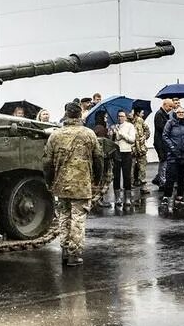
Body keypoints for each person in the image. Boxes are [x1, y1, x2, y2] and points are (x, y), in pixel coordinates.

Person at [43, 102, 101, 266]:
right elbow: (98, 158)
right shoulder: (89, 134)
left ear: (66, 114)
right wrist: (97, 179)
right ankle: (74, 255)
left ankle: (64, 250)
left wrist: (49, 180)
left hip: (61, 183)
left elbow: (47, 162)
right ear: (80, 114)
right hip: (82, 184)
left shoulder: (56, 135)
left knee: (64, 217)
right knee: (78, 218)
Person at [161, 107, 184, 209]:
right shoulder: (170, 123)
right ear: (175, 113)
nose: (180, 113)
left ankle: (180, 196)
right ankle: (166, 196)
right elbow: (165, 136)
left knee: (182, 177)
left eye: (182, 112)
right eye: (178, 112)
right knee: (170, 177)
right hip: (173, 155)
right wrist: (172, 147)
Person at [90, 116, 117, 210]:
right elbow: (106, 143)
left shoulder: (98, 128)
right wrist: (110, 134)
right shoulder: (100, 129)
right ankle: (97, 199)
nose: (106, 118)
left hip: (101, 158)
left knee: (101, 179)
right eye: (104, 116)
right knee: (105, 179)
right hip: (104, 158)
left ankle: (97, 199)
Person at [151, 97, 178, 187]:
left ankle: (159, 179)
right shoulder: (159, 114)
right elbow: (162, 128)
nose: (171, 108)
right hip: (160, 143)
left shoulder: (164, 114)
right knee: (164, 161)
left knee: (164, 161)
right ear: (164, 105)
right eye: (170, 106)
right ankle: (162, 181)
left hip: (162, 143)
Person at [113, 109, 136, 207]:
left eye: (122, 116)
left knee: (127, 176)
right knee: (116, 176)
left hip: (126, 152)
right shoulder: (115, 126)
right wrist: (114, 133)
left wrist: (122, 134)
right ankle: (117, 198)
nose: (120, 118)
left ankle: (127, 198)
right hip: (117, 153)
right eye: (119, 116)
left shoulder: (130, 126)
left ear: (126, 117)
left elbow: (132, 140)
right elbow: (115, 140)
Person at [131, 105, 150, 194]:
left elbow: (147, 131)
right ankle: (130, 187)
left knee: (142, 168)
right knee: (131, 169)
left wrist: (144, 137)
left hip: (141, 149)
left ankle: (143, 187)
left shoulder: (140, 120)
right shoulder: (126, 123)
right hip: (131, 149)